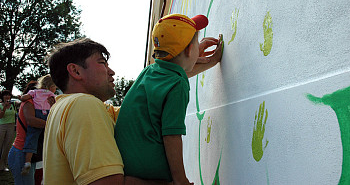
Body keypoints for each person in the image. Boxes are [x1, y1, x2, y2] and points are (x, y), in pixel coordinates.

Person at [44, 35, 221, 185]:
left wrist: (186, 60)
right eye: (102, 63)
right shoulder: (83, 106)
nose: (111, 71)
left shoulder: (63, 108)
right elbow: (107, 182)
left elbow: (153, 96)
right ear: (75, 71)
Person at [114, 14, 223, 184]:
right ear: (188, 50)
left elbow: (177, 71)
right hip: (152, 172)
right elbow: (171, 135)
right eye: (196, 43)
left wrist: (208, 59)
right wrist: (180, 180)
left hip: (127, 166)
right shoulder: (177, 84)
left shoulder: (150, 71)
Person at [8, 80, 54, 185]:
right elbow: (31, 121)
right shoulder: (28, 103)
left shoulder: (42, 106)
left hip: (32, 153)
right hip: (21, 152)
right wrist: (52, 123)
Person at [19, 74, 56, 175]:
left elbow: (24, 98)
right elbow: (56, 104)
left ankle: (27, 161)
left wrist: (20, 97)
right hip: (47, 114)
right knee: (48, 138)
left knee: (32, 137)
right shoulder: (50, 94)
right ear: (51, 87)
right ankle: (50, 158)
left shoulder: (34, 92)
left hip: (38, 113)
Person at [0, 90, 16, 172]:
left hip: (11, 126)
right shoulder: (0, 105)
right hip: (2, 126)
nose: (7, 96)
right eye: (5, 95)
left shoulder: (13, 105)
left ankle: (2, 165)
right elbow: (1, 116)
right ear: (2, 97)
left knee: (7, 146)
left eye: (8, 95)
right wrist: (5, 108)